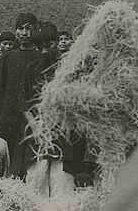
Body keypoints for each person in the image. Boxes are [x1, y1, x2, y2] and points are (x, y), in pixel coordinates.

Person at [15, 22, 90, 193]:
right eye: (39, 47)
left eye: (47, 46)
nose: (43, 52)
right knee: (36, 180)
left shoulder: (71, 69)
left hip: (65, 134)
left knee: (62, 182)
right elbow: (23, 102)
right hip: (38, 135)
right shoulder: (31, 69)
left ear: (56, 42)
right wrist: (34, 126)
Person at [0, 12, 40, 170]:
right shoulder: (6, 58)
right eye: (20, 28)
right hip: (8, 118)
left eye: (28, 28)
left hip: (31, 119)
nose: (24, 33)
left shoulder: (40, 56)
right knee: (6, 163)